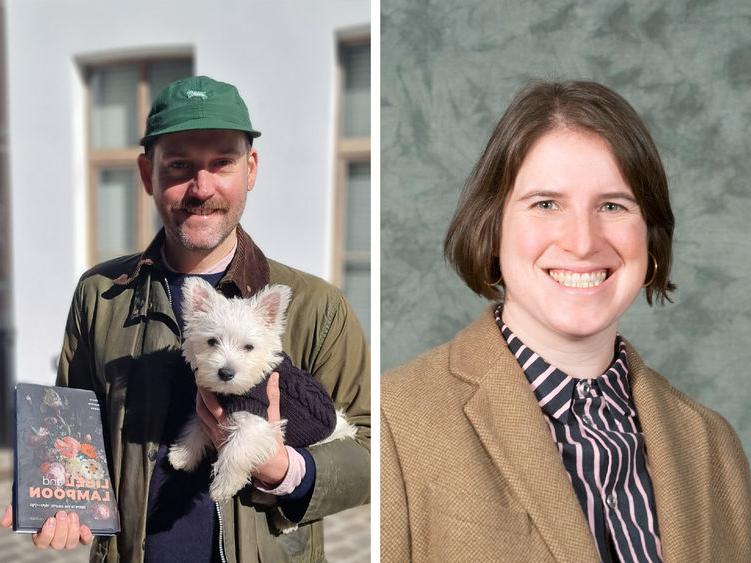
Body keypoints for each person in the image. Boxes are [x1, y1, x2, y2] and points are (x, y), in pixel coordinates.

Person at [2, 75, 370, 561]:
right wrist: (54, 497)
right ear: (145, 173)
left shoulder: (316, 306)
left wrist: (284, 469)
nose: (201, 187)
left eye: (222, 163)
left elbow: (369, 453)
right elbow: (68, 431)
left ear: (251, 168)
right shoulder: (101, 296)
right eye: (178, 165)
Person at [381, 81, 751, 562]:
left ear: (650, 236)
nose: (582, 241)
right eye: (546, 204)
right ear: (492, 228)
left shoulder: (712, 444)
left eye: (613, 205)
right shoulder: (397, 420)